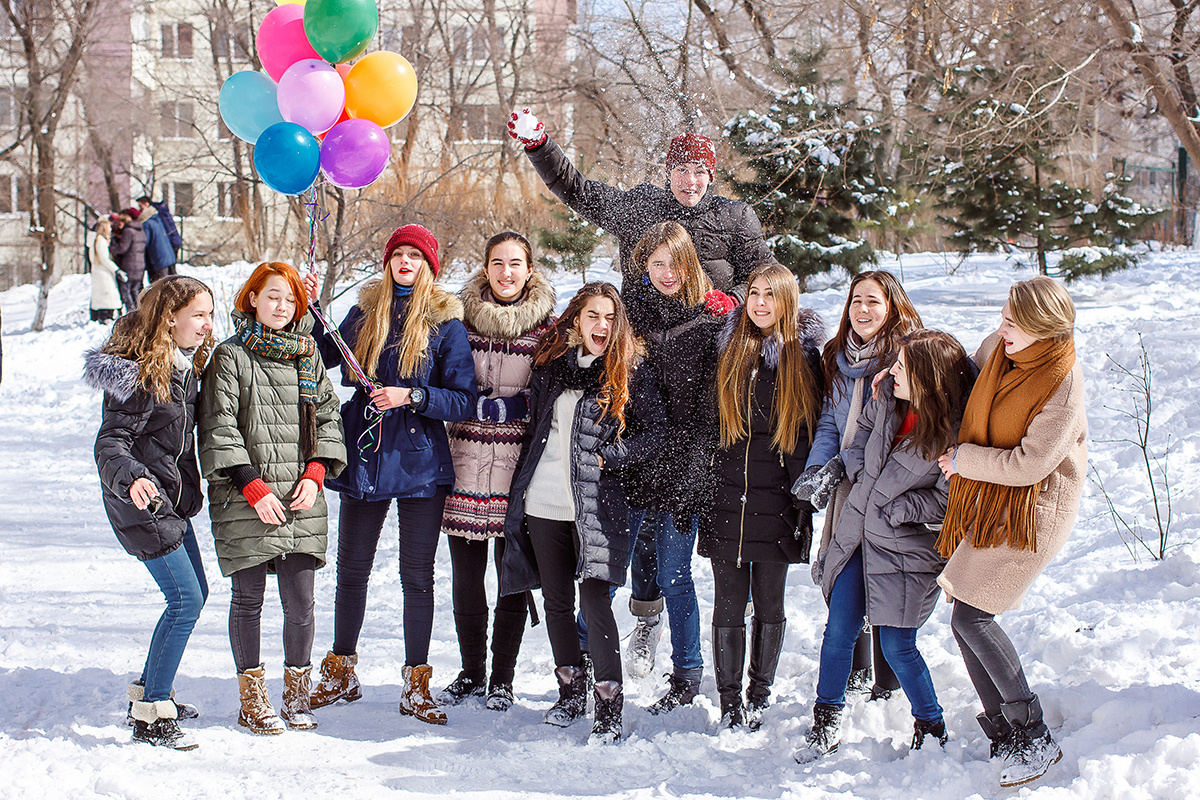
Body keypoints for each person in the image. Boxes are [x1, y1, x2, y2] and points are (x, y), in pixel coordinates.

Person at [303, 224, 477, 726]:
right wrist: (311, 307)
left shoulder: (446, 323)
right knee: (351, 570)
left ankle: (416, 683)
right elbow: (323, 353)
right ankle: (340, 671)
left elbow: (463, 399)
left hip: (421, 460)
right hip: (365, 452)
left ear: (429, 266)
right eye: (398, 254)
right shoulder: (365, 311)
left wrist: (412, 396)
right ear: (388, 261)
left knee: (416, 577)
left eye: (415, 256)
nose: (405, 262)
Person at [794, 329, 976, 763]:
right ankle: (826, 719)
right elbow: (856, 440)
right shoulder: (885, 402)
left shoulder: (951, 436)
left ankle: (930, 724)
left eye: (901, 367)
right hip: (857, 532)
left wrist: (899, 508)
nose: (891, 371)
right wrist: (858, 471)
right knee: (838, 631)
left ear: (929, 378)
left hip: (905, 550)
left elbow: (948, 502)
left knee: (897, 645)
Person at [935, 276, 1086, 788]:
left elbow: (1029, 464)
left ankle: (1034, 733)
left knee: (974, 618)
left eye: (1012, 322)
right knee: (963, 619)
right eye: (1002, 317)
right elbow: (960, 373)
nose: (1001, 329)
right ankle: (1004, 732)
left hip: (1033, 512)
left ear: (1043, 329)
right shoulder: (1002, 351)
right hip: (993, 501)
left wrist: (963, 459)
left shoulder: (1062, 385)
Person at [500, 282, 666, 744]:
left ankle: (609, 705)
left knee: (595, 600)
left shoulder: (630, 372)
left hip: (596, 505)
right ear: (577, 320)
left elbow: (655, 435)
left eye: (611, 318)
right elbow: (536, 427)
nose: (602, 325)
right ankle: (570, 690)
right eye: (593, 315)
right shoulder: (553, 368)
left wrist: (609, 457)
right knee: (557, 601)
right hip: (543, 500)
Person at [198, 262, 346, 735]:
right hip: (247, 495)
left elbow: (328, 417)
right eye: (272, 296)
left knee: (300, 602)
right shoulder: (231, 356)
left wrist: (317, 472)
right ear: (253, 299)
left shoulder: (309, 356)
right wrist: (251, 485)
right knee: (249, 600)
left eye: (290, 299)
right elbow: (219, 425)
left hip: (301, 495)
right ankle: (253, 699)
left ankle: (298, 697)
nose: (281, 306)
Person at [83, 275, 215, 751]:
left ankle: (149, 692)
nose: (206, 324)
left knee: (193, 594)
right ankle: (153, 715)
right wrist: (134, 478)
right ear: (169, 317)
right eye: (198, 314)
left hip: (169, 503)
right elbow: (110, 443)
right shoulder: (141, 374)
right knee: (185, 602)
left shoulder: (181, 366)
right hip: (141, 503)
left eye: (209, 314)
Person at [507, 107, 775, 324]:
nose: (689, 180)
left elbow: (768, 272)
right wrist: (540, 146)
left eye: (699, 171)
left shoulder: (734, 217)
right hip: (644, 345)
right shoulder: (641, 207)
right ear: (668, 173)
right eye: (681, 169)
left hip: (710, 346)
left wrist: (736, 298)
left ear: (711, 176)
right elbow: (579, 191)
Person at [700, 262, 824, 730]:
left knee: (770, 605)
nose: (760, 303)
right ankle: (729, 700)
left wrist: (802, 501)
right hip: (727, 500)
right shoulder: (728, 349)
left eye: (771, 295)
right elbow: (708, 428)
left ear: (787, 301)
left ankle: (759, 691)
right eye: (753, 292)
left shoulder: (802, 358)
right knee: (728, 604)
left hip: (777, 504)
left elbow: (804, 437)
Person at [439, 232, 556, 711]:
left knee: (511, 574)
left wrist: (514, 408)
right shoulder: (458, 320)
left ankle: (501, 678)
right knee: (466, 578)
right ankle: (471, 671)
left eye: (515, 263)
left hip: (517, 468)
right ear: (484, 268)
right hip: (464, 460)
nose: (506, 272)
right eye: (497, 263)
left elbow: (554, 392)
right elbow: (441, 378)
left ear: (530, 270)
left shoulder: (549, 328)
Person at [794, 270, 923, 701]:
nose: (862, 310)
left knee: (886, 586)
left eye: (873, 301)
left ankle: (885, 686)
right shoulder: (839, 358)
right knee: (842, 579)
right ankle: (855, 671)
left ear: (892, 307)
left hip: (892, 488)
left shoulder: (908, 360)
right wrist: (818, 470)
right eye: (856, 301)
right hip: (848, 482)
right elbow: (831, 420)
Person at [619, 221, 722, 712]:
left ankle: (687, 674)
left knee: (675, 573)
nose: (666, 273)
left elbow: (712, 408)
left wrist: (694, 472)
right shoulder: (630, 316)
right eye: (656, 264)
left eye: (675, 263)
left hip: (685, 463)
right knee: (621, 566)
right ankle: (596, 660)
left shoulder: (710, 322)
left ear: (691, 264)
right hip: (634, 460)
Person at [110, 208, 147, 312]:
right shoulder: (140, 230)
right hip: (140, 265)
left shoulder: (128, 231)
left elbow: (122, 248)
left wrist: (112, 248)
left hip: (130, 265)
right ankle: (139, 313)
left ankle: (131, 314)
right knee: (136, 290)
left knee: (125, 291)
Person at [89, 217, 123, 322]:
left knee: (101, 296)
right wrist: (116, 270)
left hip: (98, 271)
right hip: (103, 272)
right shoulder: (101, 241)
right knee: (107, 295)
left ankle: (100, 316)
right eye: (109, 227)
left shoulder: (95, 240)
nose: (111, 230)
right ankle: (106, 317)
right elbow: (104, 259)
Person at [138, 195, 183, 260]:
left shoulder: (155, 213)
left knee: (169, 266)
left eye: (140, 206)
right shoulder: (159, 211)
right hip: (172, 241)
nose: (140, 209)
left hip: (171, 242)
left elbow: (167, 229)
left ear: (146, 204)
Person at [141, 205, 178, 283]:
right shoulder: (157, 220)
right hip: (169, 256)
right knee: (171, 283)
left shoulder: (147, 224)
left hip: (158, 258)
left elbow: (144, 242)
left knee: (159, 285)